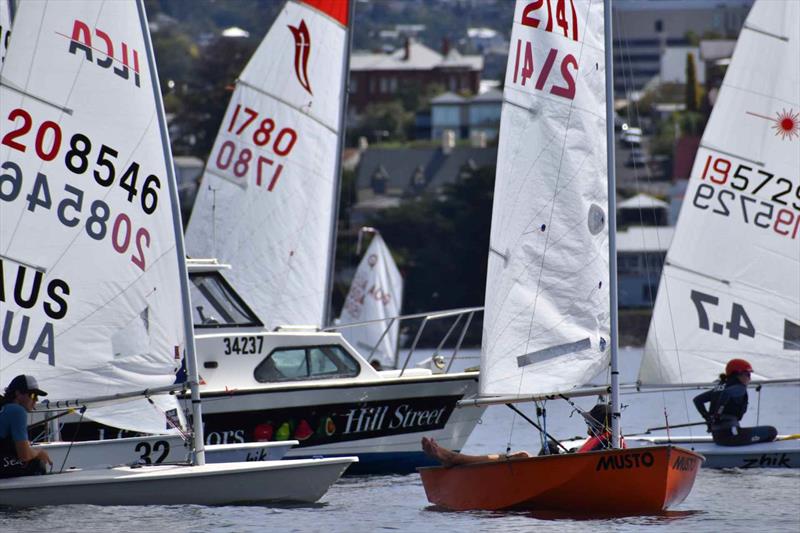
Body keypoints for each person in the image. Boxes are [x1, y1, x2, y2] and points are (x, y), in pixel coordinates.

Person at [421, 402, 621, 466]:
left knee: (523, 456)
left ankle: (452, 458)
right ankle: (453, 458)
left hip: (565, 474)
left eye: (589, 422)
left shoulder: (605, 442)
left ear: (599, 423)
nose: (587, 426)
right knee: (535, 452)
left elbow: (583, 464)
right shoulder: (610, 441)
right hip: (567, 471)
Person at [693, 358, 778, 447]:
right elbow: (726, 394)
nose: (750, 378)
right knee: (771, 431)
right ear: (738, 374)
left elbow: (697, 400)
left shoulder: (721, 387)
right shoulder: (739, 387)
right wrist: (717, 414)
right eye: (748, 374)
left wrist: (708, 417)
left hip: (718, 437)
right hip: (732, 437)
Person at [0, 374, 53, 478]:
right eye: (32, 395)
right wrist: (39, 453)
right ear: (18, 393)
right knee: (37, 464)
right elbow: (24, 455)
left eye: (37, 397)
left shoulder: (4, 408)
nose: (36, 400)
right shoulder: (17, 411)